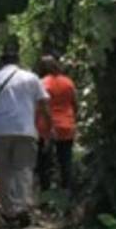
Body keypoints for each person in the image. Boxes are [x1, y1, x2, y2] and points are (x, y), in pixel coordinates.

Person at [0, 37, 51, 227]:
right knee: (24, 169)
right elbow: (43, 105)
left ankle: (9, 211)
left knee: (4, 171)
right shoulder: (31, 78)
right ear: (18, 61)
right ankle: (22, 207)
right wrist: (49, 129)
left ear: (1, 62)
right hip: (26, 130)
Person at [35, 55, 78, 192]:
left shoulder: (41, 83)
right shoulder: (68, 82)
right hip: (66, 125)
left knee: (44, 161)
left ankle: (45, 192)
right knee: (65, 160)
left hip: (46, 128)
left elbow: (39, 107)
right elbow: (75, 103)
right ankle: (66, 192)